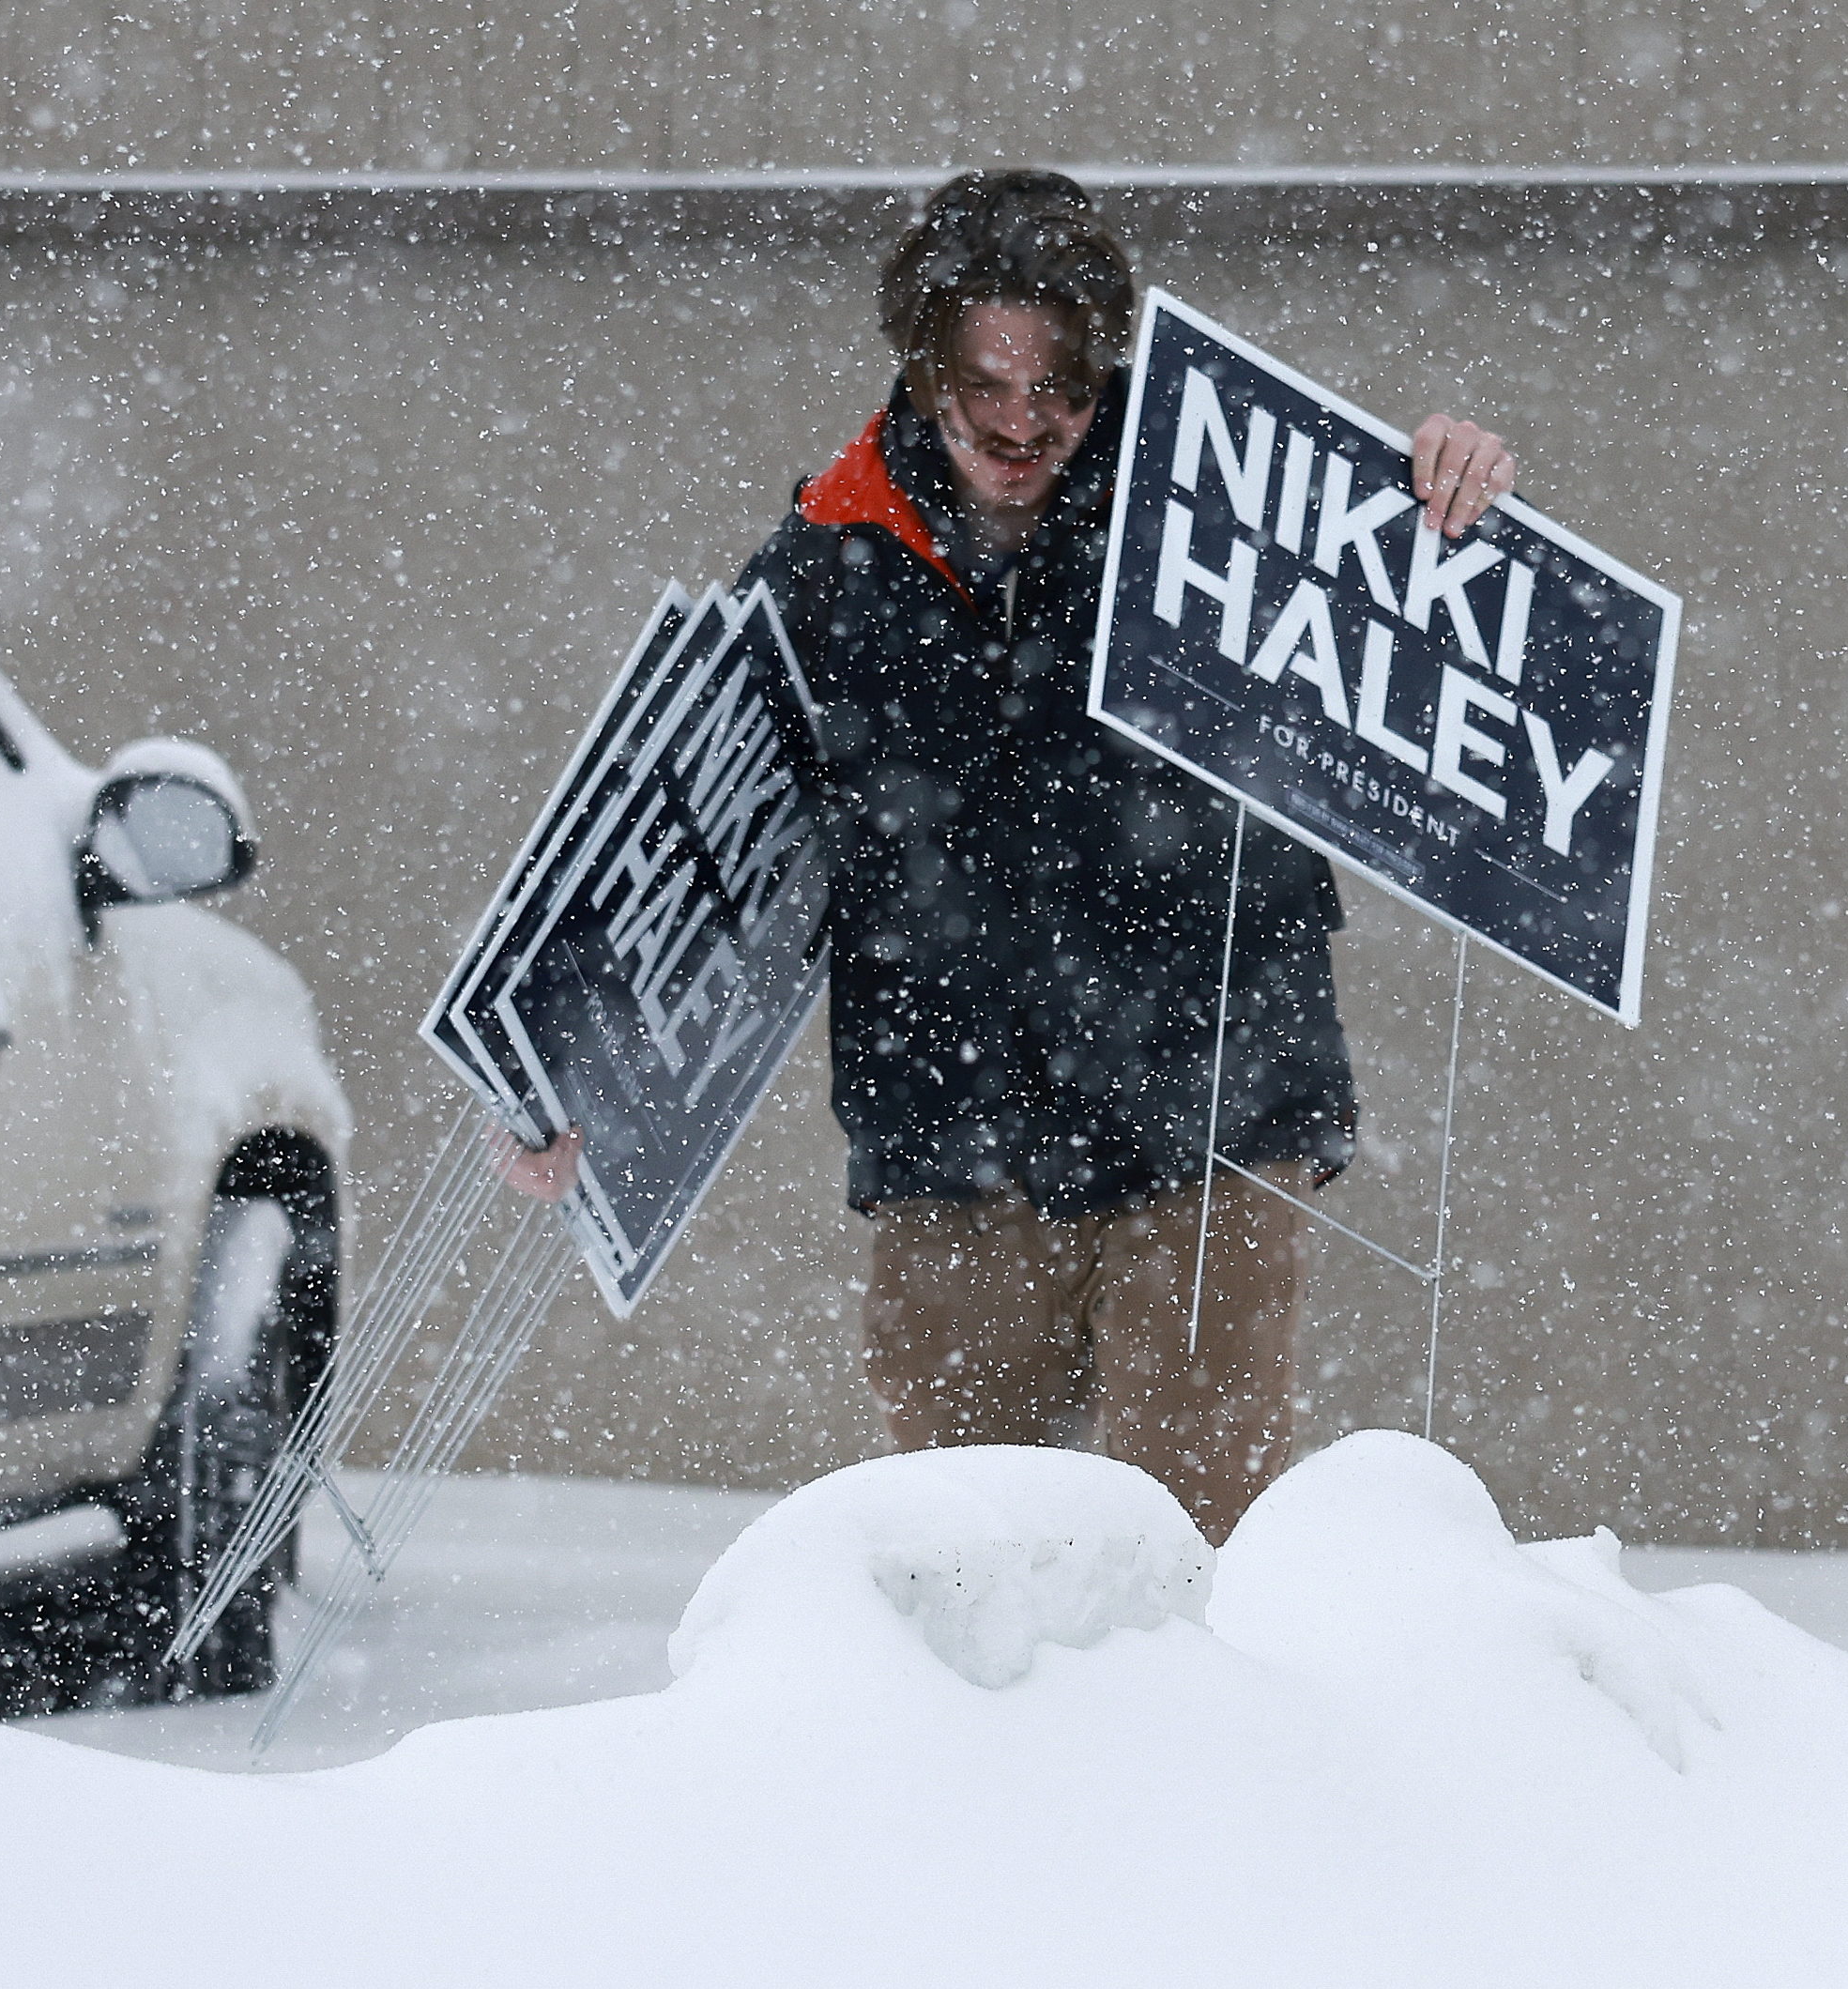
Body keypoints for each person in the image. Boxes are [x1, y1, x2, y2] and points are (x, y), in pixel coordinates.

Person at [504, 170, 1517, 1544]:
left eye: (1065, 386)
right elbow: (691, 824)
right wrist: (573, 1072)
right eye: (987, 378)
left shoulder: (1225, 508)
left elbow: (1428, 599)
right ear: (923, 369)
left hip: (1213, 1114)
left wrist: (1443, 485)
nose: (1025, 420)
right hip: (950, 1136)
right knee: (966, 1587)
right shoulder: (833, 556)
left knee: (1193, 1561)